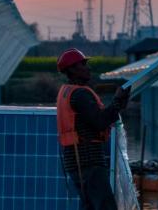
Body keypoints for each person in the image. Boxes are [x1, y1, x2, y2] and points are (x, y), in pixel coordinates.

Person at [56, 48, 130, 210]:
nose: (88, 68)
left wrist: (117, 105)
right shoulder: (80, 94)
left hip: (76, 161)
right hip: (88, 162)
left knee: (89, 206)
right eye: (83, 65)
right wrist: (117, 102)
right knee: (105, 206)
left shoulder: (67, 92)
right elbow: (100, 122)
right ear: (73, 69)